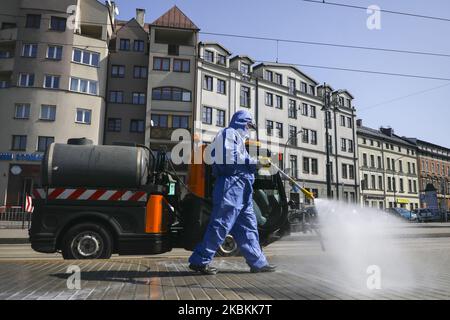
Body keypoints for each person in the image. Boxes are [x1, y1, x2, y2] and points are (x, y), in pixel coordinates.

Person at [188, 110, 276, 275]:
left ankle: (258, 263)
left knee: (248, 227)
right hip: (230, 187)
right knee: (221, 224)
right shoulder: (229, 133)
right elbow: (230, 157)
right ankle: (200, 260)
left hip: (242, 189)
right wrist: (254, 162)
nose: (249, 130)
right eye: (249, 126)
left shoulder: (238, 139)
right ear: (244, 123)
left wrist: (253, 164)